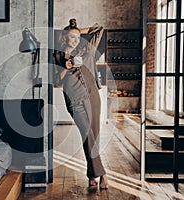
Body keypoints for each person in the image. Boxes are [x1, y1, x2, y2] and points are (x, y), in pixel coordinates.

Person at [53, 18, 108, 189]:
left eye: (78, 37)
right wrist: (66, 68)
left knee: (94, 136)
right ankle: (103, 174)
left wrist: (76, 29)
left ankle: (92, 175)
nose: (76, 41)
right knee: (87, 135)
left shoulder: (85, 50)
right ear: (64, 38)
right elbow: (56, 81)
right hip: (74, 99)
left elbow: (99, 28)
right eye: (72, 38)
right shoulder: (57, 55)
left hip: (92, 97)